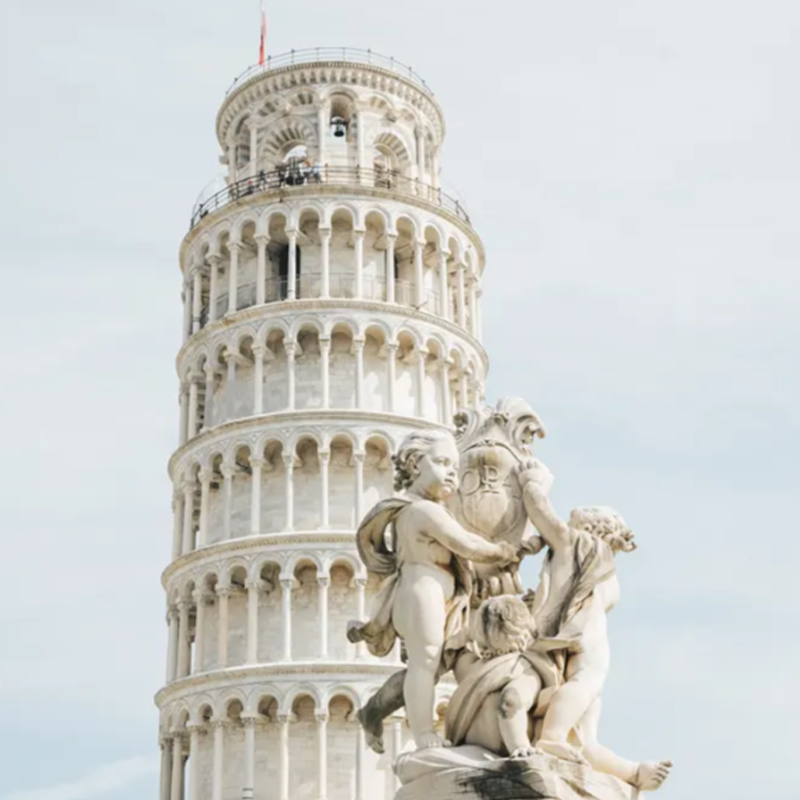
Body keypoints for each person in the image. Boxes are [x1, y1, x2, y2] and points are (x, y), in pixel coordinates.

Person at [348, 430, 520, 750]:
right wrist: (505, 552)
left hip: (440, 593)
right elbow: (467, 545)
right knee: (425, 662)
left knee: (432, 664)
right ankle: (424, 733)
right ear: (415, 465)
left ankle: (374, 710)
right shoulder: (423, 511)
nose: (451, 472)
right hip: (421, 588)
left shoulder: (426, 508)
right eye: (441, 462)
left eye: (454, 466)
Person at [518, 458, 672, 791]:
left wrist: (533, 484)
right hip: (586, 638)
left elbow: (543, 515)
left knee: (585, 736)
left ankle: (633, 772)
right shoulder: (585, 549)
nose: (567, 529)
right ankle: (551, 737)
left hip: (584, 634)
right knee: (586, 682)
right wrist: (532, 482)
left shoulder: (588, 552)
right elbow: (541, 513)